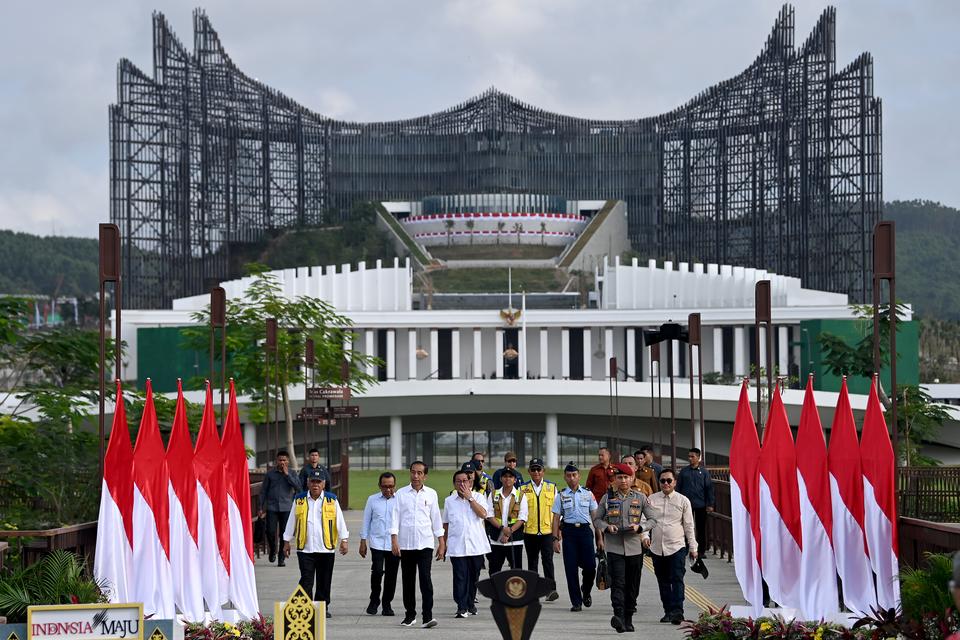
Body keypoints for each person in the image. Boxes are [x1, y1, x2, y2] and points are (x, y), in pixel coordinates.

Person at [594, 463, 658, 633]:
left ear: (632, 479)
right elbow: (597, 520)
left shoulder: (641, 497)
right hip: (614, 547)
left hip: (634, 547)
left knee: (632, 585)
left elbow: (653, 519)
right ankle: (619, 617)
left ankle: (628, 617)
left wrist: (641, 528)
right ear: (615, 479)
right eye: (620, 477)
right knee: (618, 584)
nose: (623, 480)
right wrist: (607, 527)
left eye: (626, 477)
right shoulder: (607, 498)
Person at [282, 469, 348, 618]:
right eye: (313, 481)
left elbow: (340, 521)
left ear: (324, 484)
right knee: (306, 580)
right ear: (308, 483)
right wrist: (286, 541)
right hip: (305, 549)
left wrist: (344, 540)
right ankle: (305, 607)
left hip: (326, 548)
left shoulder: (331, 500)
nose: (315, 485)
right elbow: (291, 521)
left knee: (324, 581)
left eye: (318, 482)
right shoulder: (299, 500)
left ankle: (322, 607)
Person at [392, 461, 445, 629]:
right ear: (410, 473)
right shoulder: (400, 494)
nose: (416, 476)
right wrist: (394, 540)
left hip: (425, 543)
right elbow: (395, 518)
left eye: (419, 473)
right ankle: (410, 615)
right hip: (406, 544)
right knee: (408, 581)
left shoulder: (431, 494)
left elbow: (436, 519)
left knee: (425, 580)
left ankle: (427, 616)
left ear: (425, 476)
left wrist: (441, 542)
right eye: (413, 472)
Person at [642, 468, 698, 624]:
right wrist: (645, 536)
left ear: (675, 482)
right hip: (656, 548)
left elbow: (689, 526)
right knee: (663, 581)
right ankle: (668, 611)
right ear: (659, 482)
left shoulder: (683, 500)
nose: (665, 483)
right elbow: (643, 520)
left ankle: (678, 612)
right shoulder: (651, 500)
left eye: (669, 481)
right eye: (662, 481)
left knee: (677, 579)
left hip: (677, 547)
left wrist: (693, 548)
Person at [441, 469, 491, 618]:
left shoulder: (479, 497)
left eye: (465, 481)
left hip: (476, 545)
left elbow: (483, 514)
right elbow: (446, 524)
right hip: (457, 545)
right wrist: (443, 544)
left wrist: (470, 499)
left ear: (470, 482)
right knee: (460, 576)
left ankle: (470, 604)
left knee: (473, 576)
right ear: (454, 484)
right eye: (459, 481)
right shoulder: (449, 501)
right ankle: (461, 606)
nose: (462, 484)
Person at [551, 462, 599, 612]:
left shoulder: (588, 494)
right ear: (565, 477)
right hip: (569, 534)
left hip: (585, 532)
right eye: (569, 475)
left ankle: (586, 590)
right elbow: (556, 519)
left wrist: (600, 539)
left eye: (574, 475)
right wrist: (555, 539)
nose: (571, 478)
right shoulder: (561, 495)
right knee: (570, 569)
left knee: (591, 567)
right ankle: (576, 601)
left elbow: (595, 518)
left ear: (579, 476)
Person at [518, 458, 560, 601]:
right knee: (532, 561)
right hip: (529, 531)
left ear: (543, 471)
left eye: (538, 469)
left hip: (547, 532)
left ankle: (551, 590)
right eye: (533, 469)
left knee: (548, 560)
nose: (536, 472)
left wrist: (557, 534)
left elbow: (557, 513)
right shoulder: (522, 489)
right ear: (529, 471)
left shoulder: (552, 487)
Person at [360, 472, 400, 616]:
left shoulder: (400, 500)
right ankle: (374, 599)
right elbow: (366, 521)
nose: (388, 490)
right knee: (377, 571)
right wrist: (363, 541)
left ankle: (387, 603)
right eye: (385, 486)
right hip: (376, 542)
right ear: (379, 486)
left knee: (391, 575)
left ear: (395, 485)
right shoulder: (372, 500)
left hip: (394, 544)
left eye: (391, 486)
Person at [259, 450, 301, 566]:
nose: (282, 462)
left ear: (288, 461)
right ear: (276, 461)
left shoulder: (292, 473)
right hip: (272, 507)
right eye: (280, 460)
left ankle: (281, 558)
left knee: (284, 533)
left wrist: (287, 475)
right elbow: (263, 491)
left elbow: (298, 487)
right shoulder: (270, 474)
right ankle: (273, 549)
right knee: (270, 531)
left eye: (284, 460)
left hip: (286, 507)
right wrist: (260, 507)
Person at [485, 467, 527, 573]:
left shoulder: (521, 496)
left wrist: (509, 532)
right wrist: (503, 529)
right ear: (500, 479)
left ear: (515, 480)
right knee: (494, 572)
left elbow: (522, 518)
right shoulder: (493, 494)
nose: (507, 479)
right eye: (505, 476)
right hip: (496, 540)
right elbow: (489, 515)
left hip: (515, 540)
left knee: (516, 574)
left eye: (510, 476)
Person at [676, 448, 715, 555]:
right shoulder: (684, 472)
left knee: (701, 528)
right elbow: (678, 487)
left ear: (698, 457)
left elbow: (709, 489)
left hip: (701, 504)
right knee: (685, 526)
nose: (690, 458)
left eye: (692, 456)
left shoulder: (704, 472)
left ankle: (701, 551)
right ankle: (685, 548)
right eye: (689, 456)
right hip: (685, 504)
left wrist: (710, 504)